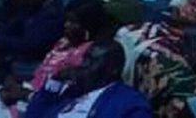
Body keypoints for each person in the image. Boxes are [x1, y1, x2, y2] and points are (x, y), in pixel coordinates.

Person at [0, 0, 111, 118]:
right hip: (26, 90)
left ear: (88, 27)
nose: (67, 26)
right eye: (67, 21)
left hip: (36, 109)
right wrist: (15, 81)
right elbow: (41, 73)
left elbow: (64, 102)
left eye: (74, 23)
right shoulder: (64, 42)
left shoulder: (86, 54)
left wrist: (23, 94)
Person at [24, 41, 152, 118]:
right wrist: (55, 80)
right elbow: (33, 115)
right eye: (85, 59)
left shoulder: (129, 101)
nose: (83, 64)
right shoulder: (72, 90)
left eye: (92, 61)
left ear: (113, 69)